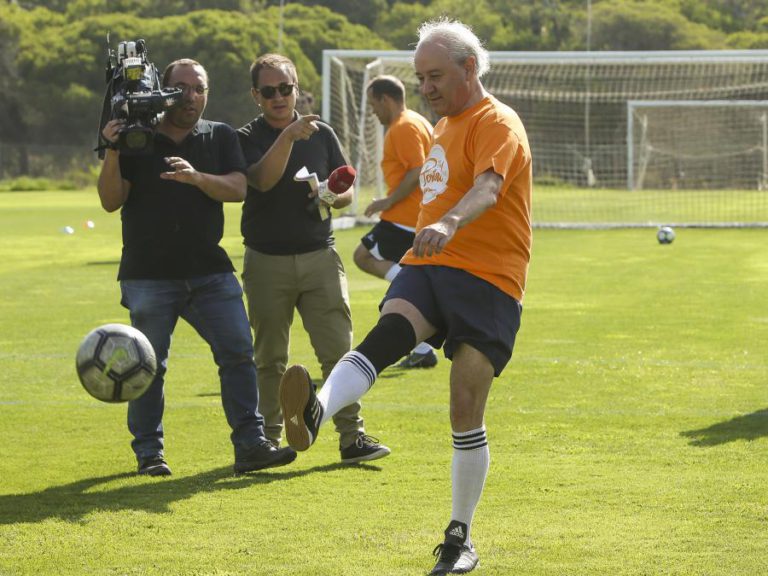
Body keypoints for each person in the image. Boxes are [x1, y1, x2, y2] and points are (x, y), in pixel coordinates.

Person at [279, 19, 532, 575]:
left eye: (436, 75)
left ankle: (460, 537)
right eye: (421, 77)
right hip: (431, 265)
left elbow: (488, 188)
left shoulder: (497, 122)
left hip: (490, 278)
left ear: (469, 68)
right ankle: (316, 411)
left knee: (464, 411)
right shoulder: (440, 127)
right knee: (387, 333)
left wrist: (449, 222)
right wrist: (429, 236)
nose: (427, 86)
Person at [97, 58, 297, 477]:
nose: (191, 96)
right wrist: (113, 150)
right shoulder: (139, 139)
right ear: (163, 91)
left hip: (209, 271)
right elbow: (111, 200)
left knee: (239, 354)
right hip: (148, 273)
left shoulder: (219, 135)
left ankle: (250, 445)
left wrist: (197, 178)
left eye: (199, 88)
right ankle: (150, 453)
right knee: (148, 366)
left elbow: (239, 188)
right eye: (181, 87)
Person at [237, 54, 390, 464]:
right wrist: (287, 136)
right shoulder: (248, 136)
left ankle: (351, 438)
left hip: (319, 255)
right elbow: (262, 181)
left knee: (339, 351)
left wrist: (327, 194)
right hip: (266, 260)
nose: (278, 97)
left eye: (285, 88)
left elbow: (345, 189)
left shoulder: (321, 133)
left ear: (297, 87)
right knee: (269, 357)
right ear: (256, 96)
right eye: (268, 91)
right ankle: (267, 440)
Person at [353, 75, 438, 369]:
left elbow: (416, 170)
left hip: (405, 216)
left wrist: (386, 202)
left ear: (385, 99)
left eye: (374, 103)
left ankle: (419, 319)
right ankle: (424, 348)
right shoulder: (418, 121)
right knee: (408, 275)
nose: (373, 111)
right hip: (415, 216)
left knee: (363, 256)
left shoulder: (403, 127)